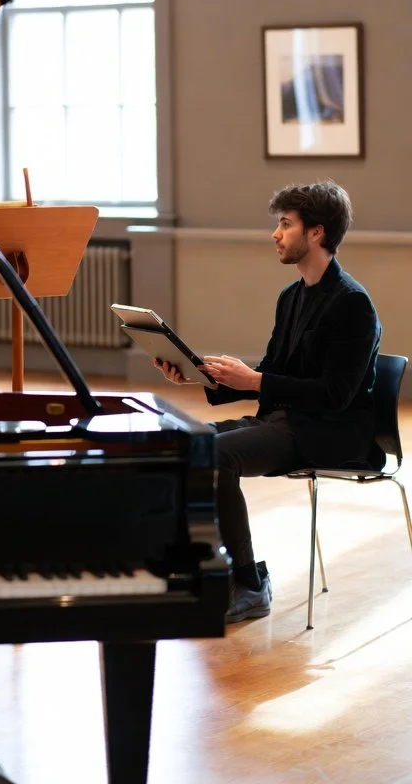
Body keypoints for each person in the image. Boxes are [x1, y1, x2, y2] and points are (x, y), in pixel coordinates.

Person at [154, 180, 381, 624]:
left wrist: (256, 379)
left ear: (316, 233)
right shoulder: (292, 296)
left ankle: (250, 585)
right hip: (287, 421)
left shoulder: (353, 304)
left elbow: (335, 394)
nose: (275, 234)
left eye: (285, 224)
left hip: (330, 433)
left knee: (214, 458)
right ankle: (212, 572)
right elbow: (275, 374)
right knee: (180, 441)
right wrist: (197, 377)